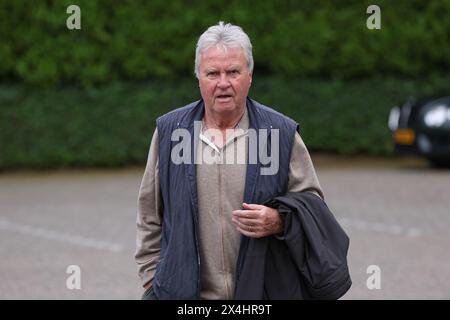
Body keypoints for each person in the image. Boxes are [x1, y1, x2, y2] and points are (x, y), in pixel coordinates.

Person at [135, 21, 351, 300]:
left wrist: (279, 220)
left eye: (233, 72)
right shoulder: (171, 132)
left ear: (249, 75)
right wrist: (151, 279)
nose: (223, 83)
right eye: (212, 73)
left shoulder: (279, 132)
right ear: (198, 77)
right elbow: (150, 213)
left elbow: (312, 207)